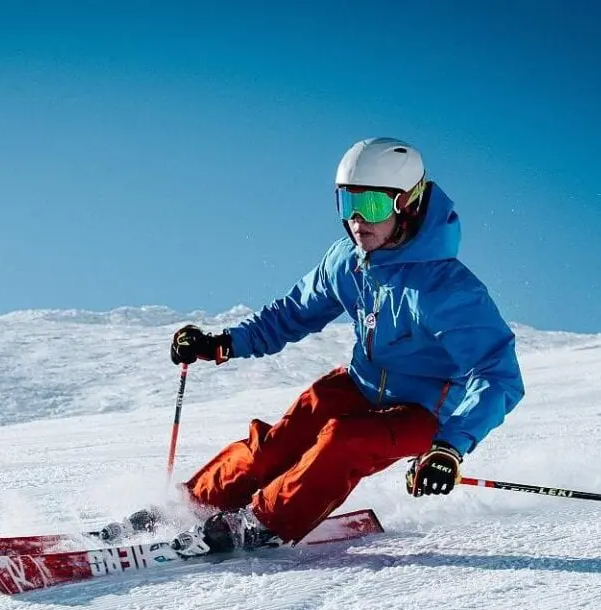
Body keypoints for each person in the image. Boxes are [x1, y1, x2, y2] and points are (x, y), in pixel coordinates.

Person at [169, 137, 524, 554]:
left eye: (371, 205)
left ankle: (262, 523)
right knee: (282, 440)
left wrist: (450, 447)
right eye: (346, 203)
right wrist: (222, 342)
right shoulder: (347, 260)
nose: (357, 220)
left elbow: (497, 375)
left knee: (345, 439)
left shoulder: (447, 290)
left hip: (425, 411)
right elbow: (291, 313)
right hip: (360, 384)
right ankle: (190, 505)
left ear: (406, 203)